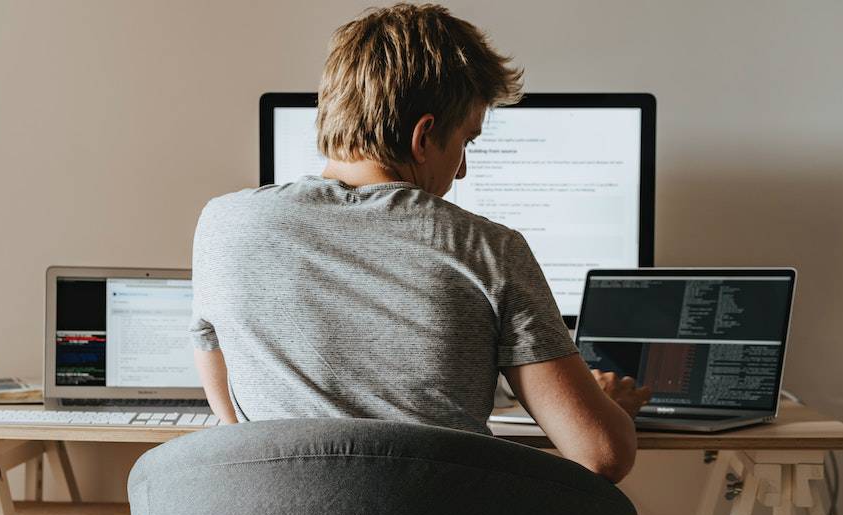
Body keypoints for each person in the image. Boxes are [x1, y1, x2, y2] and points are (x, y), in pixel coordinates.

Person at [189, 3, 649, 483]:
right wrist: (608, 408)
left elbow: (233, 426)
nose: (464, 169)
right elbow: (600, 455)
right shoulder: (488, 248)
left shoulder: (222, 225)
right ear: (423, 136)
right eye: (466, 142)